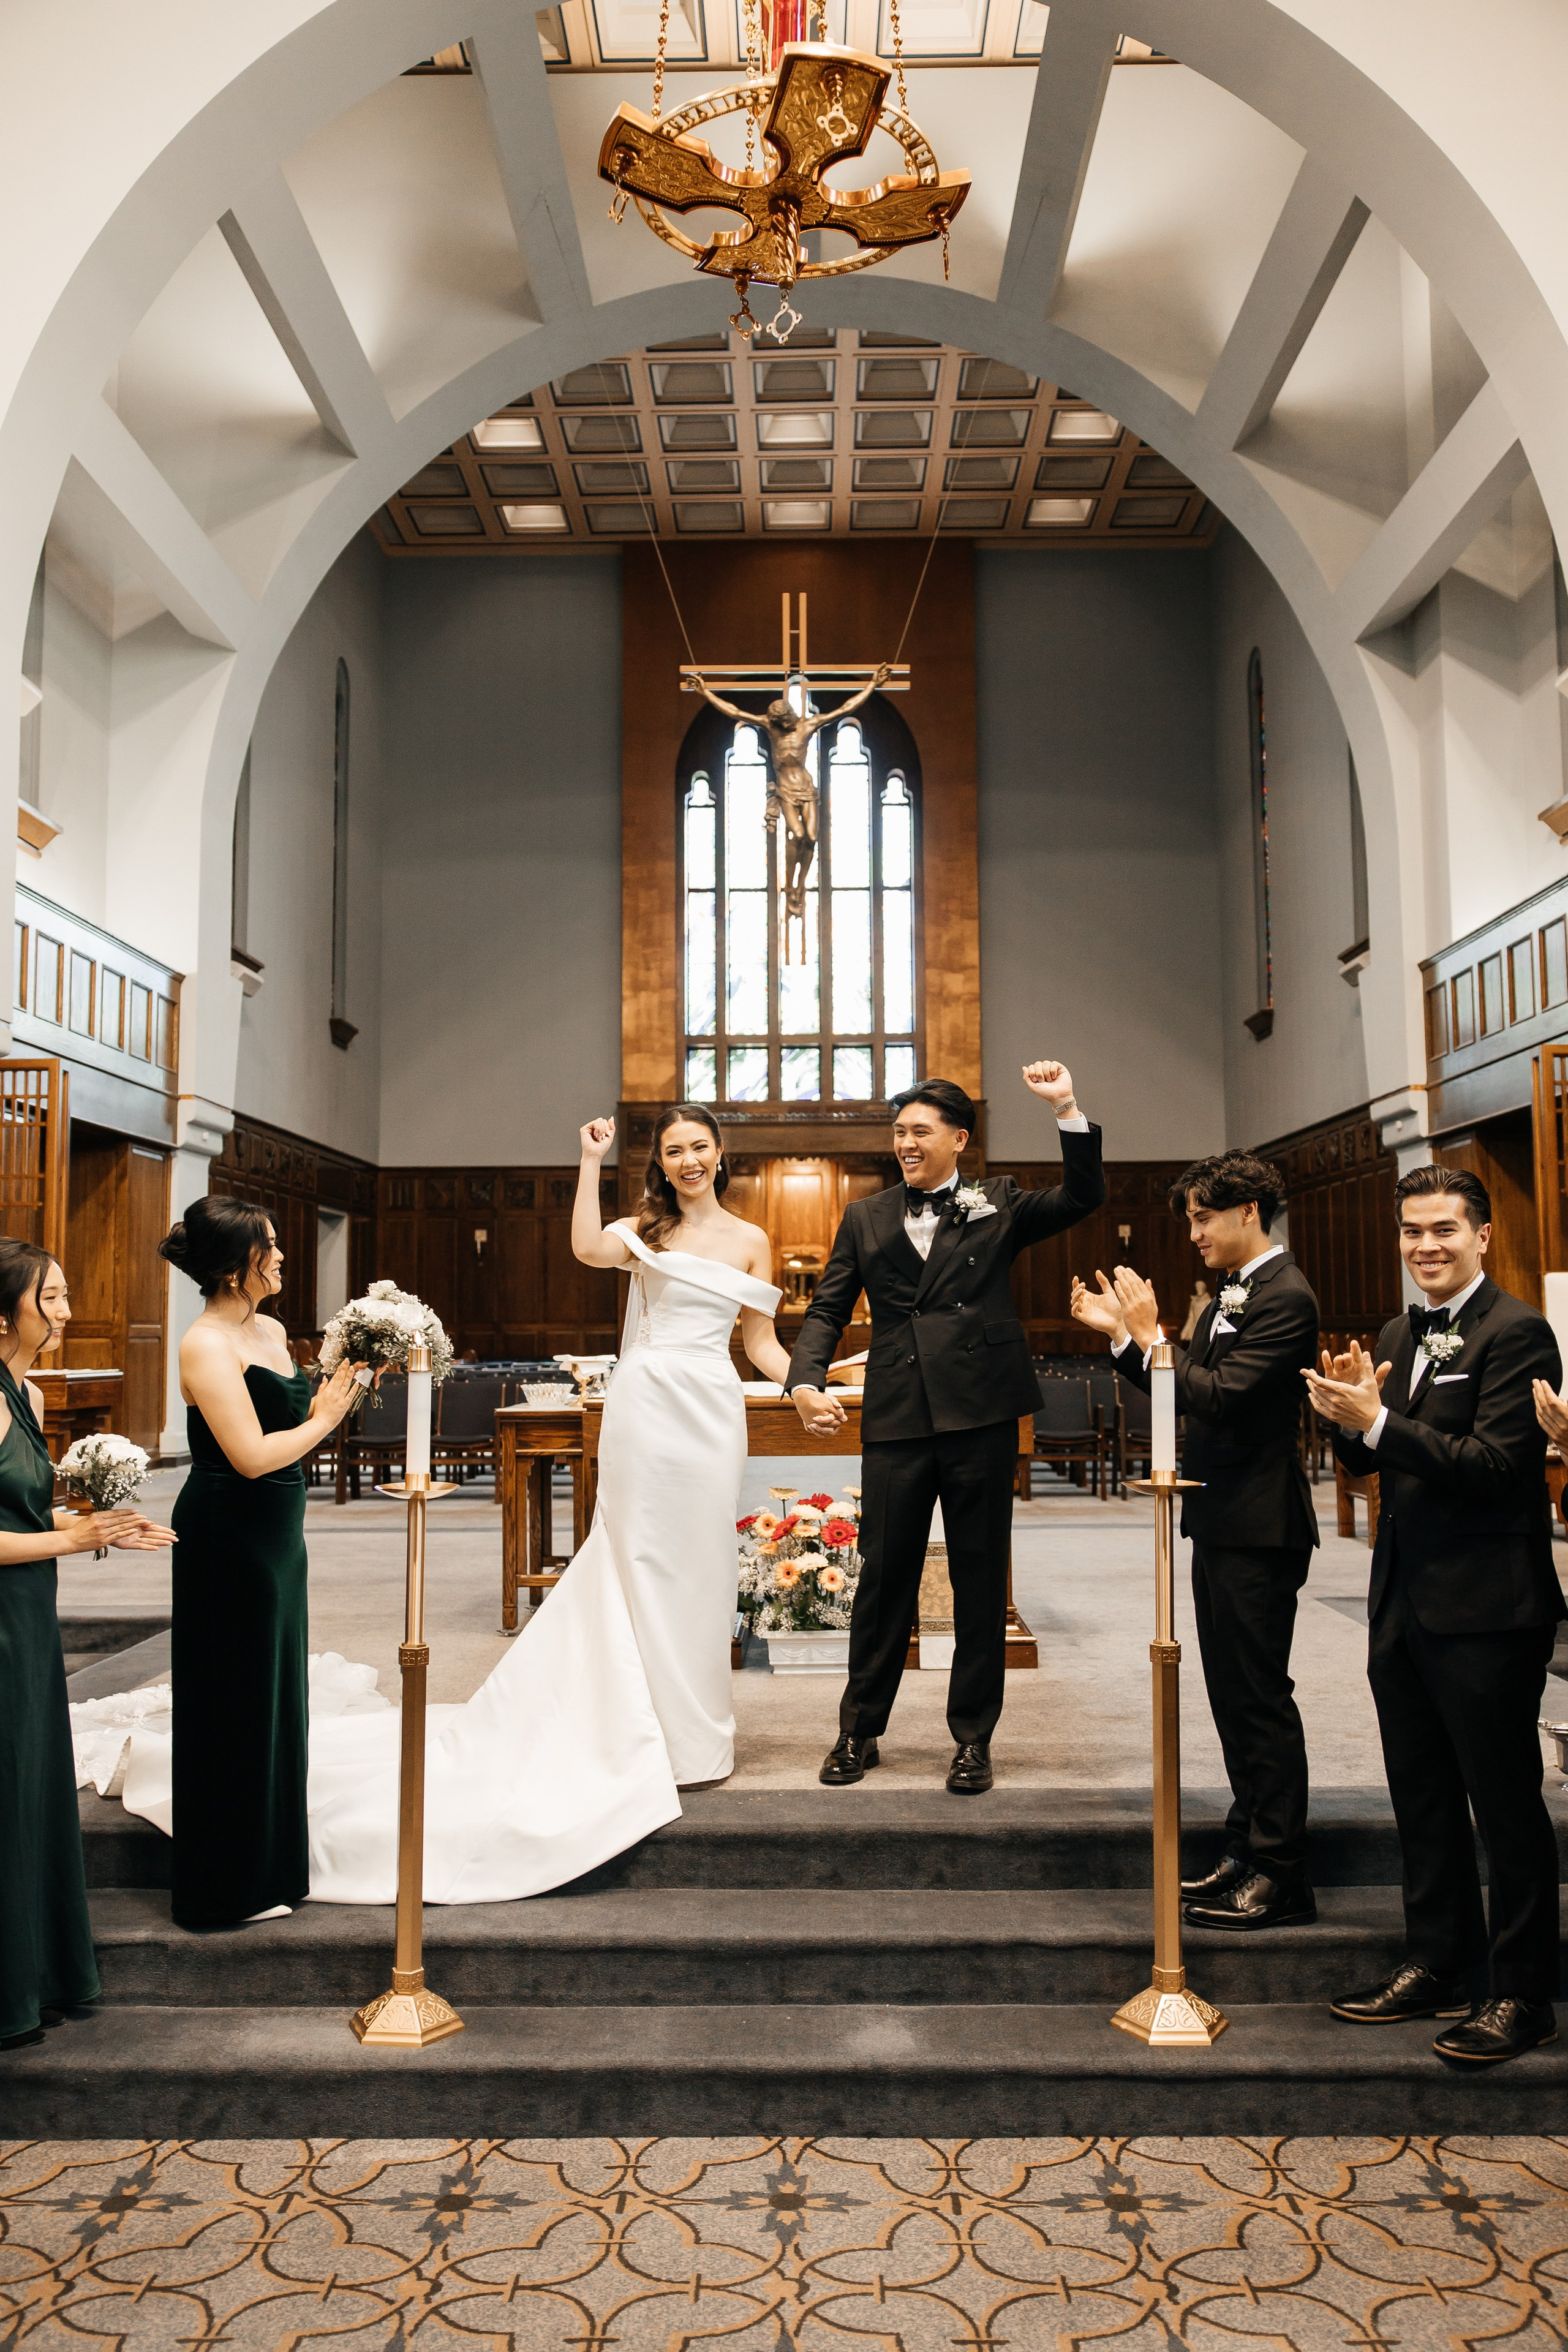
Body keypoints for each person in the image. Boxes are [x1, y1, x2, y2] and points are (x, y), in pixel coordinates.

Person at [248, 1104, 838, 1905]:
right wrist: (591, 1162)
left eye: (700, 1147)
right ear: (659, 1163)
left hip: (711, 1410)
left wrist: (802, 1390)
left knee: (699, 1572)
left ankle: (694, 1742)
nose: (689, 1160)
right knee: (634, 1560)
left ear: (720, 1153)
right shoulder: (644, 1230)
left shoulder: (750, 1239)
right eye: (674, 1151)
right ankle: (629, 1730)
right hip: (648, 1405)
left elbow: (761, 1343)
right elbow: (587, 1247)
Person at [1305, 1166, 1563, 2066]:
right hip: (1404, 1601)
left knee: (1504, 1802)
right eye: (1412, 1230)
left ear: (1483, 1235)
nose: (1425, 1246)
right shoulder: (1395, 1331)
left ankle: (1524, 1990)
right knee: (1421, 1796)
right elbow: (1381, 1463)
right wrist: (1348, 1419)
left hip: (1491, 1605)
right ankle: (1437, 1960)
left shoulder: (1519, 1332)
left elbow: (1495, 1463)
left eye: (1445, 1230)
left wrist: (1378, 1423)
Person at [788, 1064, 1105, 1795]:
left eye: (919, 1131)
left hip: (981, 1415)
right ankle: (858, 1731)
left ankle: (972, 1740)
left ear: (958, 1140)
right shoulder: (864, 1217)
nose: (905, 1142)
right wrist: (805, 1381)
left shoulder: (998, 1202)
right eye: (898, 1131)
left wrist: (1065, 1106)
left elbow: (1084, 1196)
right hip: (898, 1415)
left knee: (977, 1579)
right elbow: (829, 1310)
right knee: (884, 1579)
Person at [1071, 1152, 1321, 1929]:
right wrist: (1124, 1340)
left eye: (1203, 1218)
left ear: (1249, 1212)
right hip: (1219, 1515)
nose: (1193, 1234)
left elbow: (1222, 1398)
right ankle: (1243, 1852)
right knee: (1229, 1697)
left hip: (1260, 1521)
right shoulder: (1227, 1297)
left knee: (1259, 1698)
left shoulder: (1286, 1297)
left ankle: (1281, 1874)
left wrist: (1151, 1335)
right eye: (1188, 1219)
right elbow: (1181, 1392)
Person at [161, 1199, 366, 1930]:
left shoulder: (273, 1330)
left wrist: (331, 1399)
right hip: (228, 1537)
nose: (281, 1258)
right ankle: (223, 1885)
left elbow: (289, 1432)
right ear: (230, 1265)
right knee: (232, 1702)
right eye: (268, 1249)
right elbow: (249, 1457)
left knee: (276, 1698)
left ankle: (274, 1865)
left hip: (280, 1536)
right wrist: (325, 1419)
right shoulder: (205, 1344)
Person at [0, 1240, 172, 2051]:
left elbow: (30, 1524)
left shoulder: (28, 1395)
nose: (66, 1313)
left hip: (28, 1615)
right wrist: (76, 1539)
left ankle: (37, 1976)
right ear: (6, 1312)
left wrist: (107, 1528)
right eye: (52, 1299)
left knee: (33, 1786)